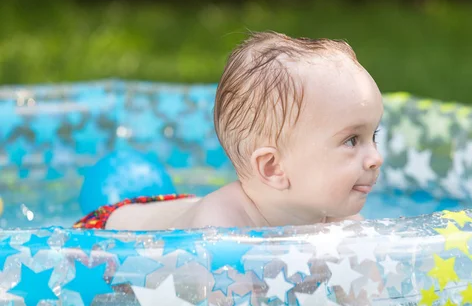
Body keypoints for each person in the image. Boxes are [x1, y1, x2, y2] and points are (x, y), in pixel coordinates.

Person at [74, 31, 383, 230]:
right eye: (352, 140)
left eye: (374, 136)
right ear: (273, 167)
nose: (375, 158)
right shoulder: (219, 228)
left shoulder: (342, 220)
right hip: (105, 232)